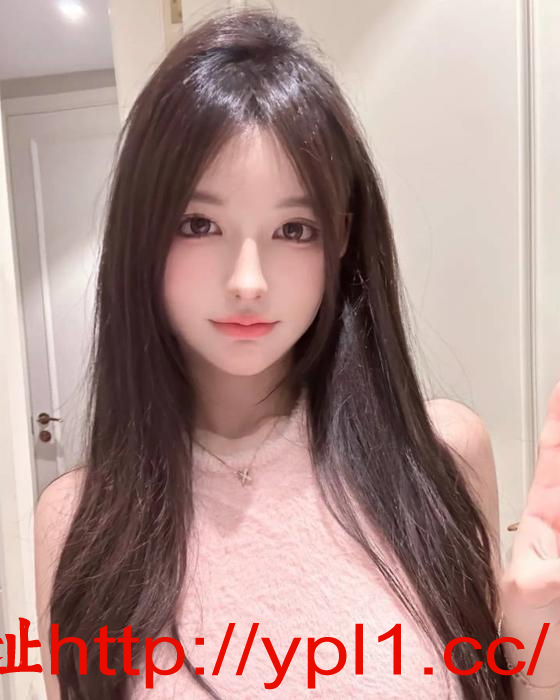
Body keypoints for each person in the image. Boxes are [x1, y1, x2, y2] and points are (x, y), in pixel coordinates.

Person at [34, 6, 560, 699]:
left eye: (293, 228)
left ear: (339, 239)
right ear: (143, 235)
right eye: (199, 223)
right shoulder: (80, 518)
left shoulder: (440, 457)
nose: (248, 281)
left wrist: (538, 648)